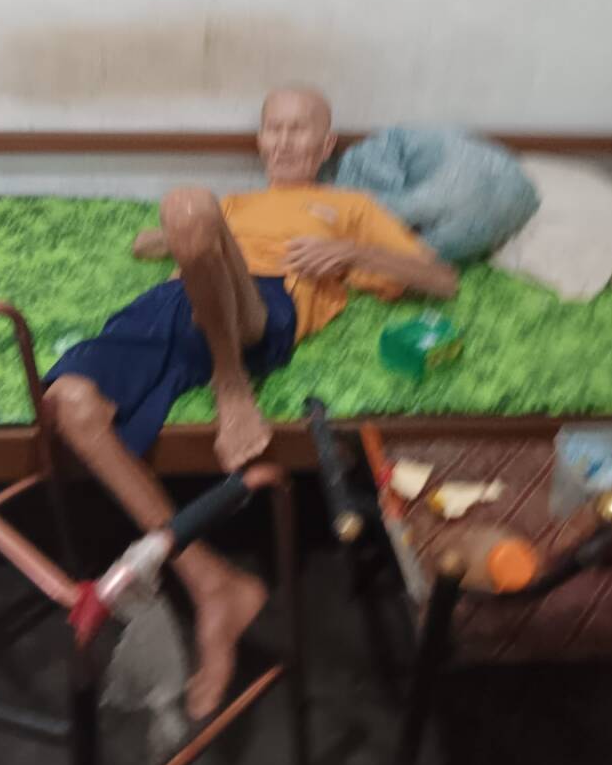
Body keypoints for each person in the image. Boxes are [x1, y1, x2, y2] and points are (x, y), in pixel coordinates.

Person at [44, 87, 457, 719]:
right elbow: (150, 241)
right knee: (68, 402)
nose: (285, 141)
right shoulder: (233, 205)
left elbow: (441, 278)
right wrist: (177, 238)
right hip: (168, 305)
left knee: (189, 204)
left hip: (261, 305)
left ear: (326, 145)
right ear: (260, 141)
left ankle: (231, 384)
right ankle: (211, 581)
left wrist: (352, 252)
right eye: (273, 128)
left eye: (300, 130)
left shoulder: (348, 206)